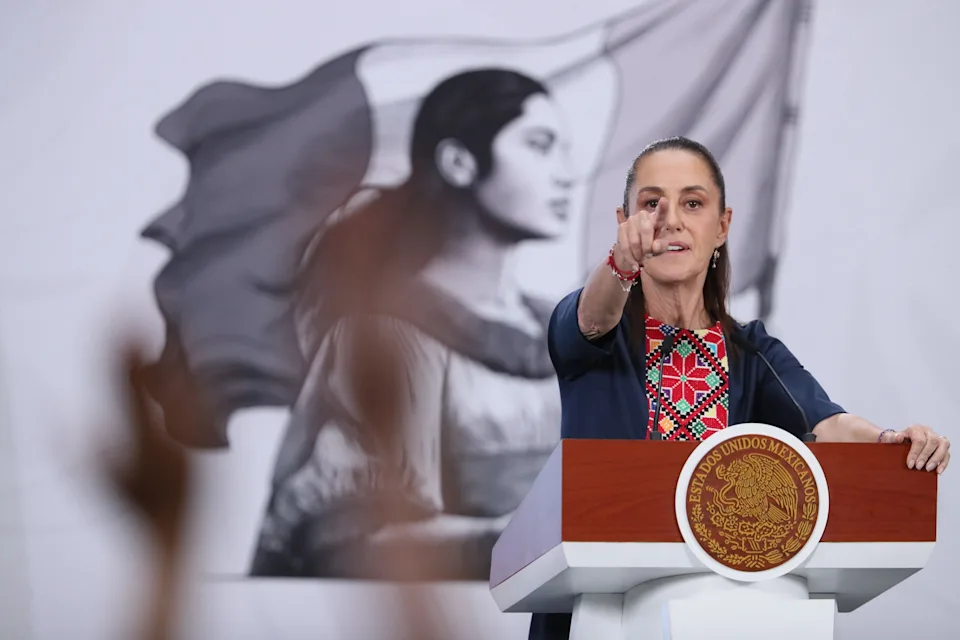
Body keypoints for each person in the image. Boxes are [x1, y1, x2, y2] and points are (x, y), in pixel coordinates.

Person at [528, 135, 951, 640]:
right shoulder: (593, 331)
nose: (670, 219)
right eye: (651, 204)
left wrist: (892, 442)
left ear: (722, 225)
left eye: (692, 203)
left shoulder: (751, 351)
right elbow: (592, 319)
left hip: (718, 614)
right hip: (595, 614)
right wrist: (620, 263)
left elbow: (829, 423)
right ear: (624, 223)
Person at [250, 68, 576, 580]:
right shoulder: (392, 337)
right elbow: (357, 538)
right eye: (539, 145)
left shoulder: (569, 331)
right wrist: (539, 539)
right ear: (459, 162)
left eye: (564, 150)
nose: (566, 174)